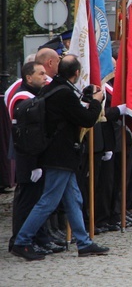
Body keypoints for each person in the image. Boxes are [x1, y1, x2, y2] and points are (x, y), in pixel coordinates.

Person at [11, 55, 110, 261]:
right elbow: (87, 119)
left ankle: (83, 242)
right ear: (76, 73)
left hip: (59, 154)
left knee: (74, 199)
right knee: (48, 201)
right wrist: (96, 102)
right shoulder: (64, 93)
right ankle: (22, 241)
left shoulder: (53, 89)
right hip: (60, 155)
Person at [7, 62, 65, 256]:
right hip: (28, 158)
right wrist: (34, 165)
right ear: (28, 77)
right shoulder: (23, 99)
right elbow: (27, 136)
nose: (45, 77)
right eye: (40, 74)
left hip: (37, 158)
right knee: (27, 201)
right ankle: (20, 241)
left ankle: (39, 238)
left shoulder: (35, 96)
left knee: (37, 199)